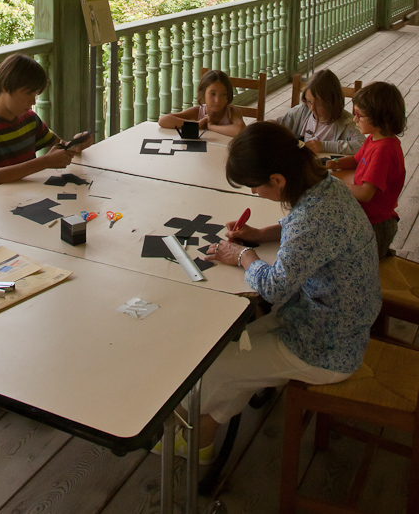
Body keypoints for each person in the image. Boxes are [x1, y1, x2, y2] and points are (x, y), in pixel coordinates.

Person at [161, 121, 380, 463]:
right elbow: (297, 227)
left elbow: (275, 287)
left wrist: (243, 255)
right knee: (226, 349)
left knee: (214, 369)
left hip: (327, 347)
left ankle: (196, 441)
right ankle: (202, 437)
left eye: (254, 186)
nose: (253, 194)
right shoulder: (325, 186)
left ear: (277, 180)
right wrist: (261, 233)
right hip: (328, 320)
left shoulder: (315, 217)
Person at [0, 52, 93, 189]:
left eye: (35, 94)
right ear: (5, 87)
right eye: (28, 93)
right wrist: (44, 162)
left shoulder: (29, 119)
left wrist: (74, 145)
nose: (33, 101)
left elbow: (59, 145)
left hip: (28, 196)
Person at [327, 82, 406, 259]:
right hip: (366, 217)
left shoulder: (384, 150)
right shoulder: (374, 139)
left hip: (376, 225)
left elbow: (365, 193)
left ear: (380, 117)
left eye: (359, 115)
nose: (355, 119)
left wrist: (332, 183)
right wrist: (334, 164)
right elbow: (356, 160)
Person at [278, 69, 364, 155]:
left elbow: (362, 145)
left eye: (319, 104)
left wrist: (324, 146)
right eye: (308, 101)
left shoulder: (347, 122)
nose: (312, 109)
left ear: (332, 102)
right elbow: (275, 128)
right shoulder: (299, 112)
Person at [158, 70, 245, 138]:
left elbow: (240, 130)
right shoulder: (198, 111)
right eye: (212, 94)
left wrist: (212, 127)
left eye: (224, 94)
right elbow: (163, 121)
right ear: (203, 94)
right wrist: (196, 124)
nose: (217, 100)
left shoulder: (232, 113)